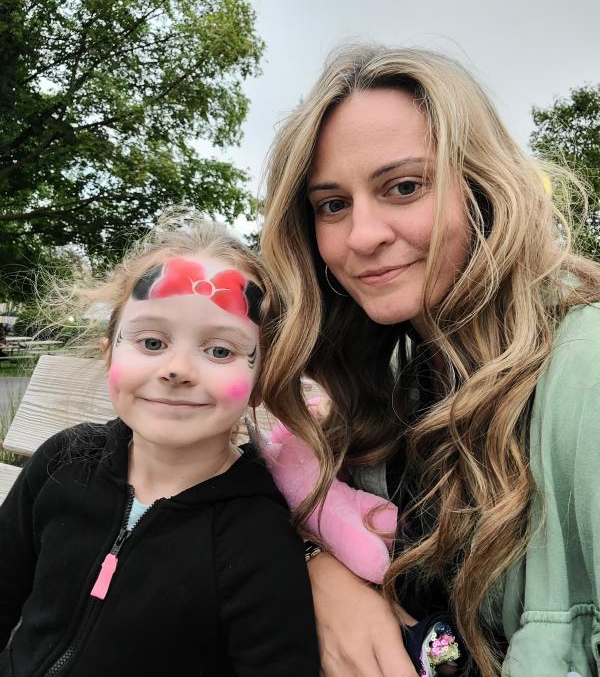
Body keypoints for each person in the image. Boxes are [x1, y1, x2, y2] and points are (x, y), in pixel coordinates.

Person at [258, 45, 600, 677]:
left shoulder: (586, 367)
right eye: (332, 204)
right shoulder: (395, 378)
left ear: (483, 186)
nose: (362, 235)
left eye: (404, 187)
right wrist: (318, 570)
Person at [0, 215, 320, 677]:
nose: (178, 369)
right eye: (152, 341)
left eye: (220, 351)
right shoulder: (62, 463)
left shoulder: (255, 535)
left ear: (260, 380)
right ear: (109, 350)